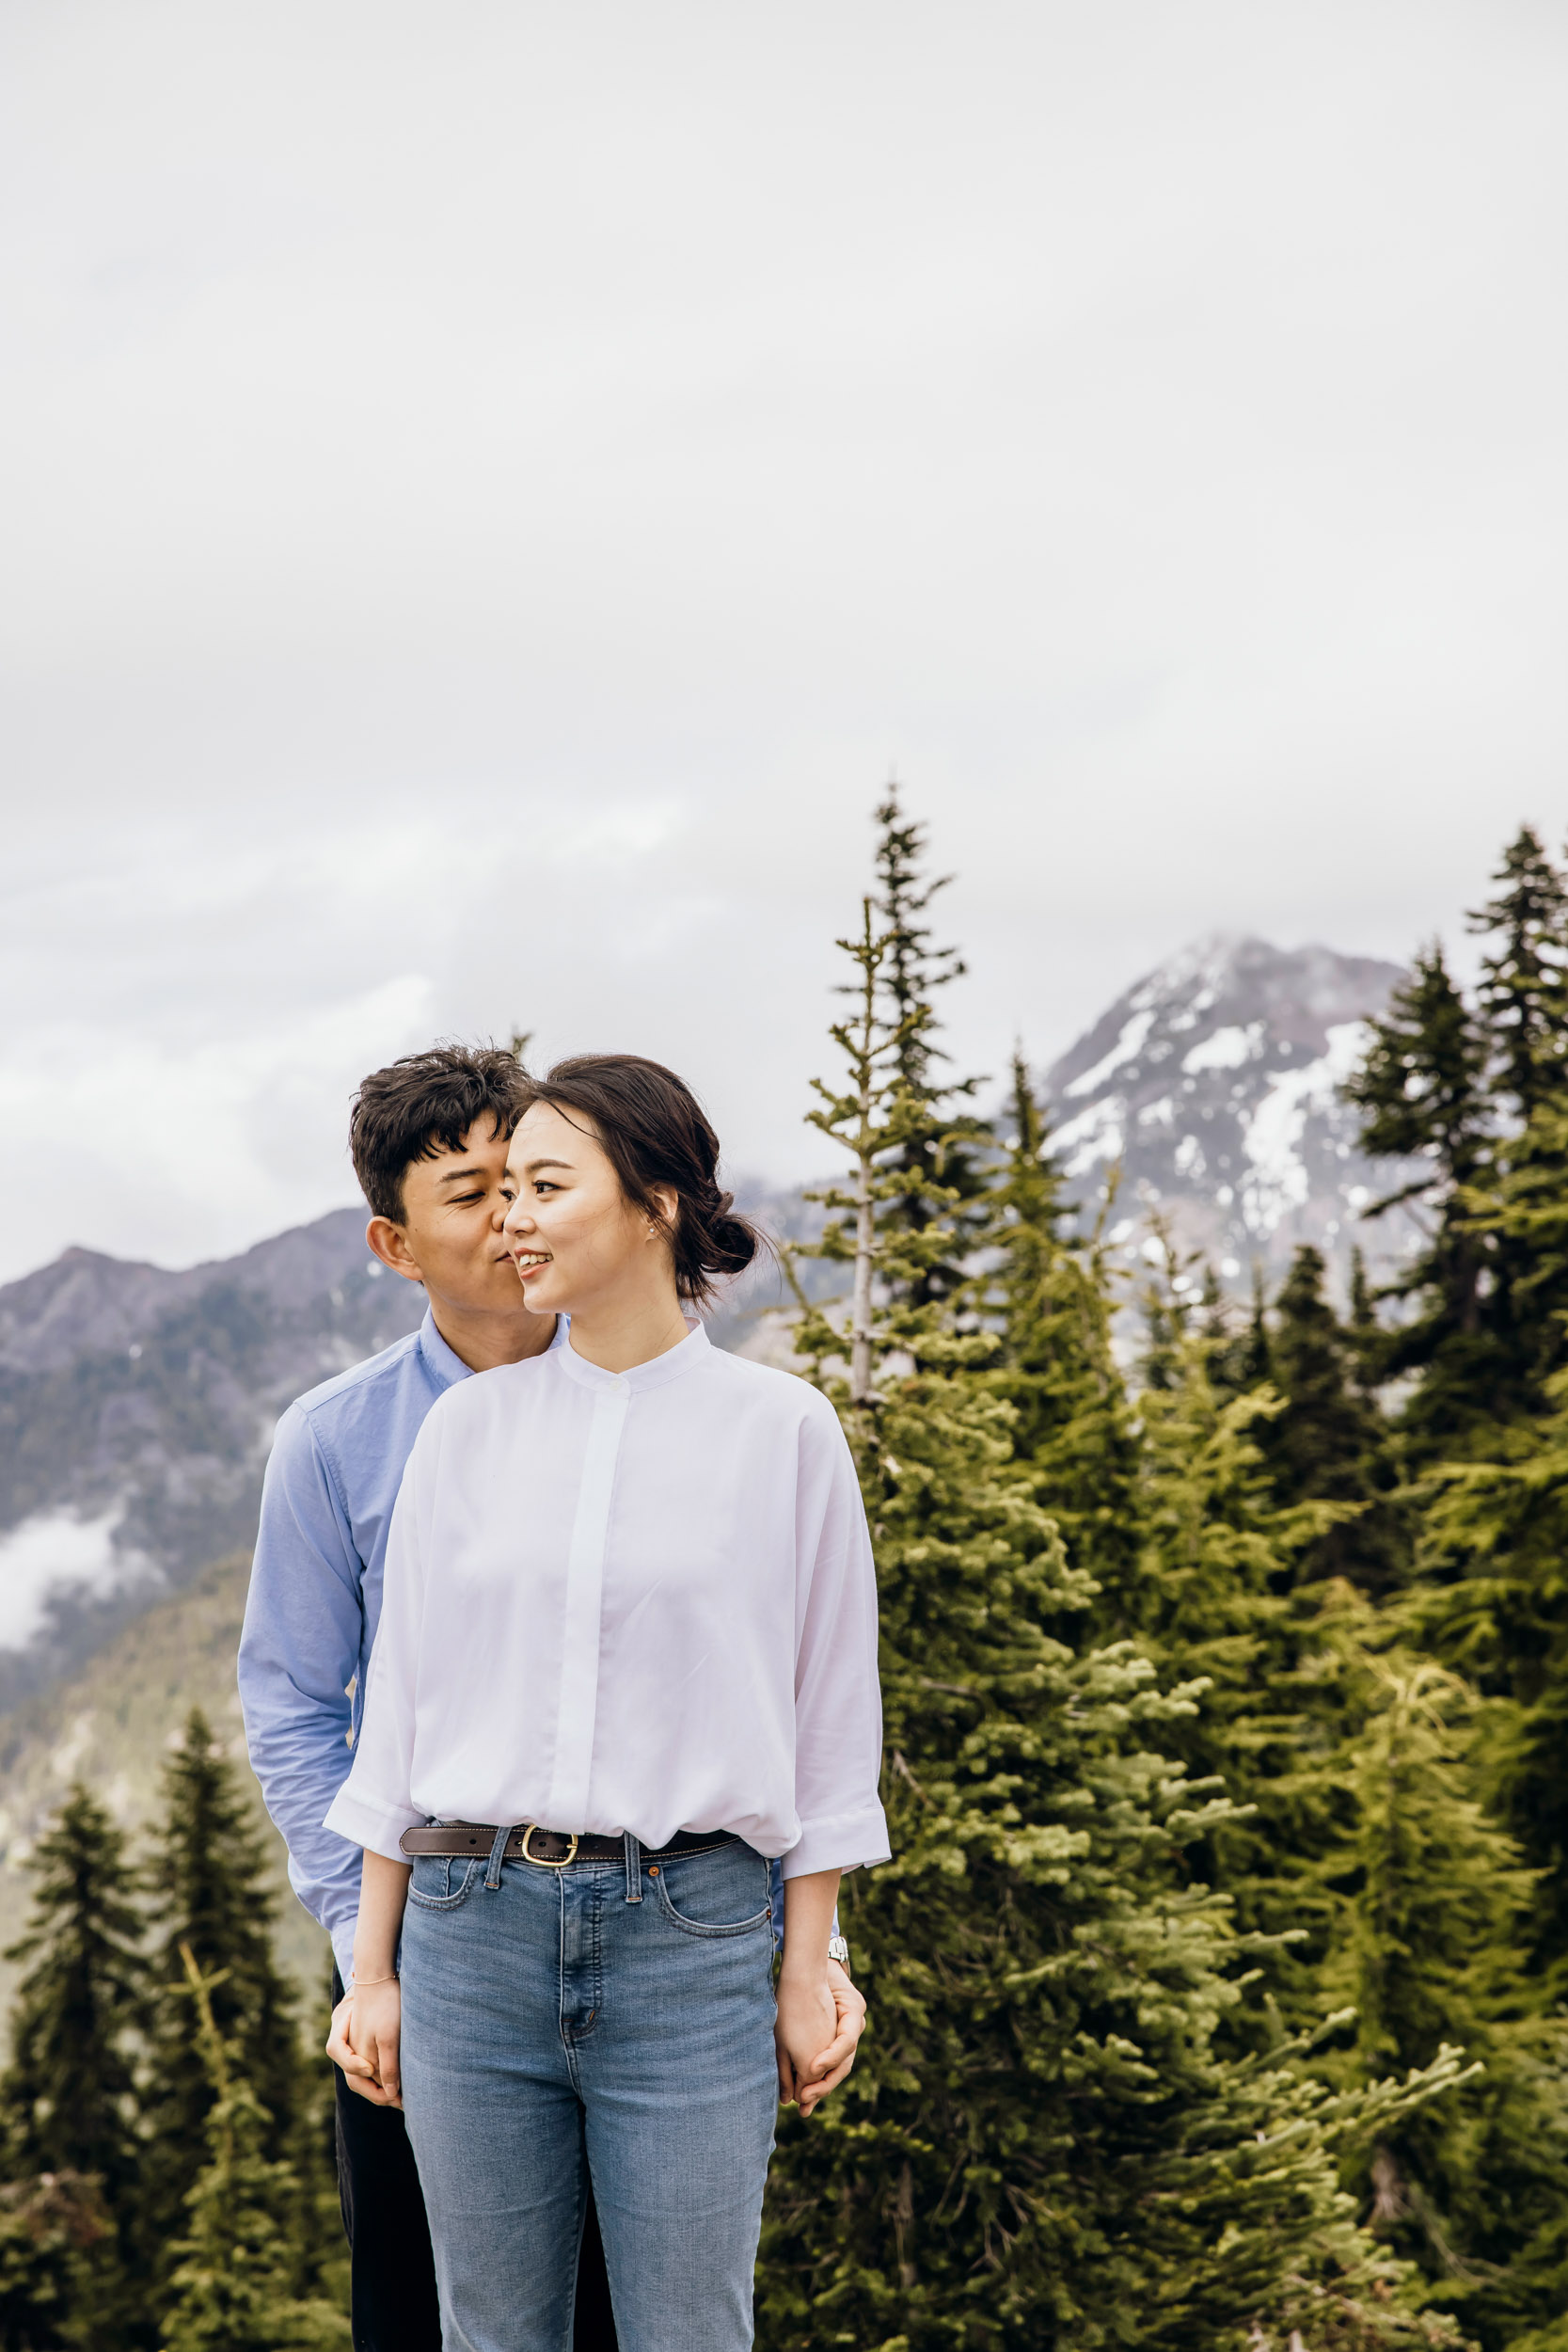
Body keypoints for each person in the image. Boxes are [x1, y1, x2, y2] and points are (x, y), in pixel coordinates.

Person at [238, 1044, 865, 2352]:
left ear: (655, 1203)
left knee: (684, 2325)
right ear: (396, 1244)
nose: (511, 1220)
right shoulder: (406, 1436)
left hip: (686, 1935)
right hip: (460, 1928)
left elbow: (810, 1720)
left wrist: (812, 1960)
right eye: (481, 1195)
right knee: (459, 2326)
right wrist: (373, 1954)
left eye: (530, 1184)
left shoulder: (776, 1429)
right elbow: (358, 1717)